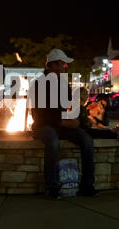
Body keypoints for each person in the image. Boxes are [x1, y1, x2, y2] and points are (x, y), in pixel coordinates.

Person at [31, 49, 98, 198]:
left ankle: (87, 185)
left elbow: (66, 106)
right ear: (52, 66)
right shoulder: (38, 84)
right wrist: (64, 122)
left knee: (86, 140)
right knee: (53, 141)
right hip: (43, 126)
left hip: (61, 125)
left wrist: (75, 118)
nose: (65, 67)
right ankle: (52, 187)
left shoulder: (63, 83)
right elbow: (41, 114)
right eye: (62, 64)